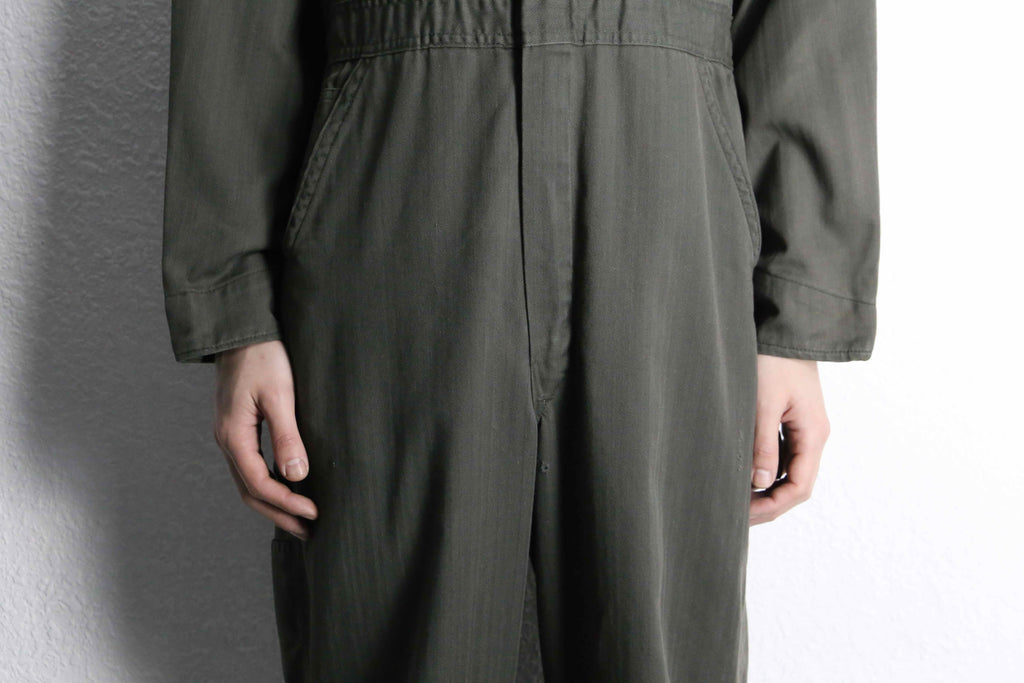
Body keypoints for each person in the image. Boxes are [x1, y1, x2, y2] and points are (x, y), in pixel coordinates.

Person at [161, 0, 878, 681]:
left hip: (670, 214)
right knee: (391, 642)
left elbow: (805, 26)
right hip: (393, 211)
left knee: (655, 649)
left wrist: (796, 318)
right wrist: (235, 311)